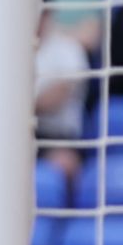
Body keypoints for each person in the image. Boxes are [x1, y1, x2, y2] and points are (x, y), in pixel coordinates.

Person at [33, 11, 90, 181]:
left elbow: (58, 95)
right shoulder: (6, 52)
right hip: (15, 136)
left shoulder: (68, 49)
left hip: (57, 137)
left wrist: (19, 106)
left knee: (65, 163)